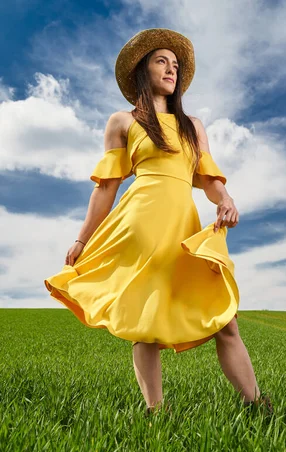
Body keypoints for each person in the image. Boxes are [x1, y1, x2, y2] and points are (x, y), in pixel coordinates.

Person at [44, 28, 273, 417]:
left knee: (226, 320)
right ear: (141, 70)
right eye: (160, 61)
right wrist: (82, 240)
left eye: (175, 65)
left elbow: (210, 180)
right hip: (140, 224)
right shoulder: (122, 121)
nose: (171, 69)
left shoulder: (192, 125)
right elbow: (106, 190)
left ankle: (258, 406)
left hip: (183, 227)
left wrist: (227, 200)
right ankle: (156, 413)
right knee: (143, 320)